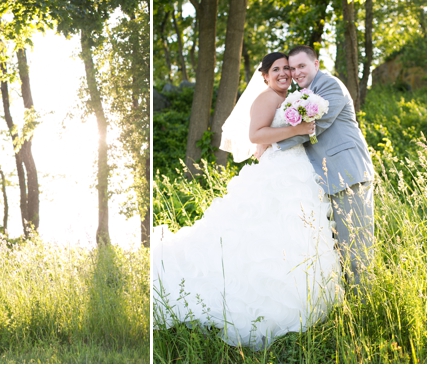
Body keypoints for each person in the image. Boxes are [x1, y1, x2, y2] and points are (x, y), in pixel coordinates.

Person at [152, 52, 342, 350]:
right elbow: (256, 134)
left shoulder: (291, 96)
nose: (283, 73)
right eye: (276, 69)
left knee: (291, 232)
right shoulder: (266, 98)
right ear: (265, 76)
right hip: (278, 172)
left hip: (296, 172)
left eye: (287, 69)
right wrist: (297, 129)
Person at [278, 45, 375, 290]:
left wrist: (271, 142)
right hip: (326, 178)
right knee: (337, 246)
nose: (296, 72)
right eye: (292, 68)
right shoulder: (305, 92)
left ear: (316, 64)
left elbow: (316, 126)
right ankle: (347, 302)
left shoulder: (330, 85)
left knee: (356, 245)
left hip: (347, 173)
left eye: (302, 66)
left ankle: (364, 305)